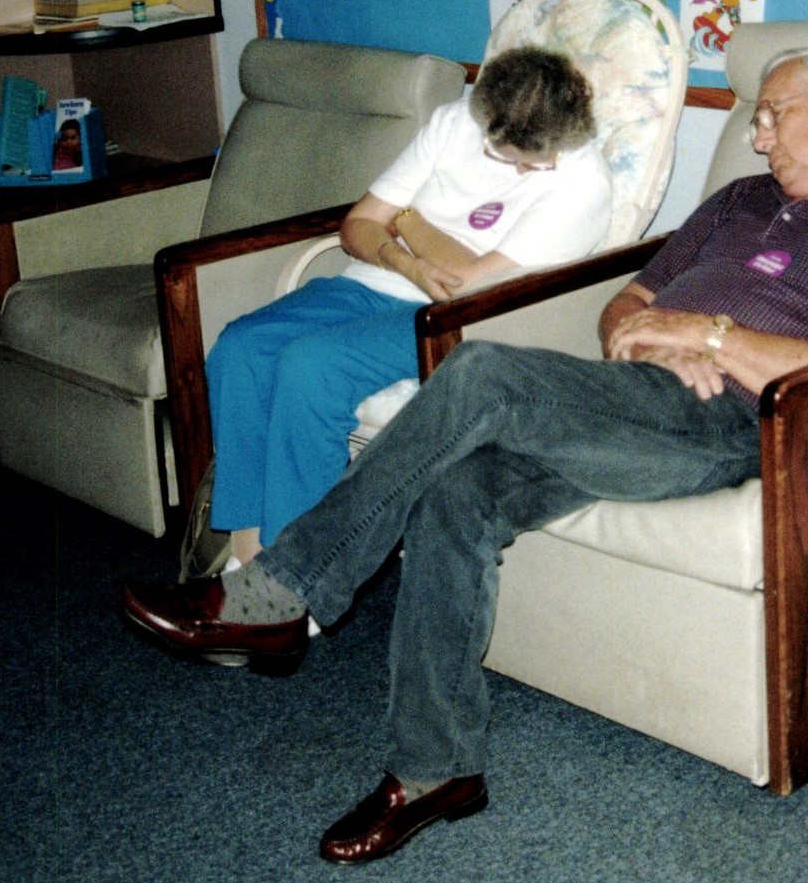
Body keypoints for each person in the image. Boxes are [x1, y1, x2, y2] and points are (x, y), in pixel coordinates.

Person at [122, 44, 808, 864]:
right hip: (633, 394)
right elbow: (630, 297)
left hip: (730, 422)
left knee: (481, 370)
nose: (757, 136)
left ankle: (288, 587)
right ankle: (435, 770)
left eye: (772, 115)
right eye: (757, 119)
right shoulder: (738, 199)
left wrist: (706, 336)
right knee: (457, 491)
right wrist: (633, 333)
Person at [203, 45, 611, 567]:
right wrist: (406, 260)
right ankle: (249, 556)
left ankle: (295, 575)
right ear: (486, 122)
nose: (531, 169)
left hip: (457, 320)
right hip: (374, 282)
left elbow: (465, 286)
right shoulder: (453, 123)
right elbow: (357, 227)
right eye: (515, 158)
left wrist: (407, 221)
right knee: (240, 348)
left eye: (543, 160)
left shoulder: (584, 181)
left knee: (312, 367)